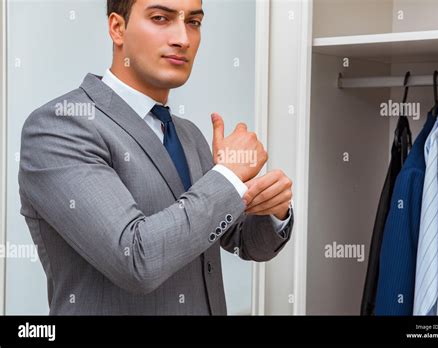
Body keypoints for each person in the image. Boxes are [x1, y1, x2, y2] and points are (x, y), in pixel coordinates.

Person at [18, 0, 294, 315]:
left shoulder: (188, 135)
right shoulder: (59, 127)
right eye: (160, 18)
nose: (183, 38)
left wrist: (273, 210)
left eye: (194, 22)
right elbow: (135, 258)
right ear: (117, 28)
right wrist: (228, 178)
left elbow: (242, 241)